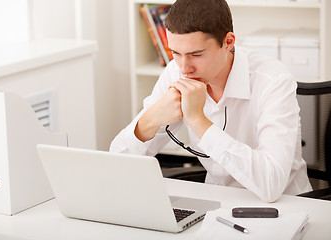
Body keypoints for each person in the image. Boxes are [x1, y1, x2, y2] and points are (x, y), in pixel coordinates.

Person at [110, 0, 312, 202]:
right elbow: (118, 161)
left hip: (286, 206)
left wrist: (198, 121)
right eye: (175, 53)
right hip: (218, 202)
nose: (184, 68)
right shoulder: (176, 72)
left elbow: (271, 184)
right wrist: (151, 118)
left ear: (229, 42)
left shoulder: (272, 80)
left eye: (196, 54)